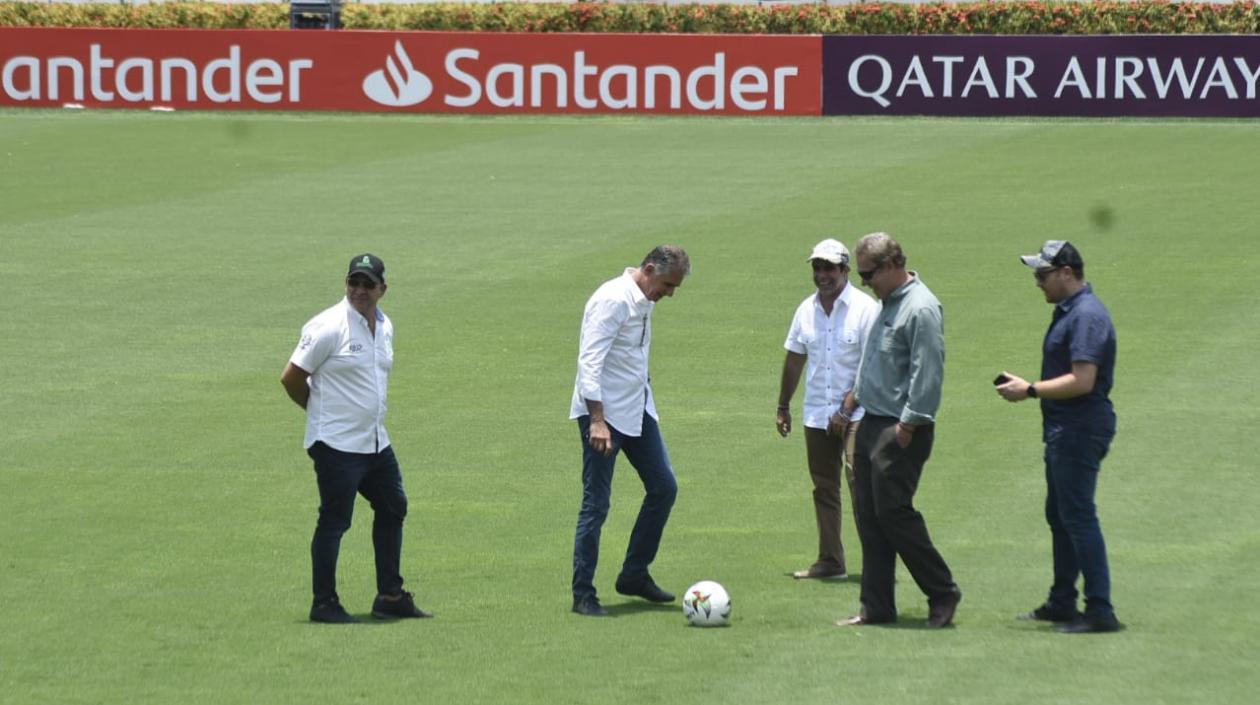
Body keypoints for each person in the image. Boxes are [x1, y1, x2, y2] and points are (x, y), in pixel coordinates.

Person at [281, 254, 431, 624]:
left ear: (383, 289)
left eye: (367, 284)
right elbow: (291, 377)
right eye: (353, 283)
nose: (359, 291)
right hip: (336, 444)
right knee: (335, 520)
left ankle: (390, 596)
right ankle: (324, 603)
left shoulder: (384, 325)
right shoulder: (328, 326)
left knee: (393, 506)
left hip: (375, 442)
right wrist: (320, 415)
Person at [996, 240, 1122, 634]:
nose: (1038, 283)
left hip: (1079, 429)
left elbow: (1082, 381)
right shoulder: (1071, 311)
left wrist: (1030, 389)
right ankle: (1063, 601)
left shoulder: (1086, 316)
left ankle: (1100, 609)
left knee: (1078, 516)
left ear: (1067, 273)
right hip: (1065, 429)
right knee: (1061, 515)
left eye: (1042, 274)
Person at [837, 232, 962, 629]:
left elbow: (928, 373)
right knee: (869, 517)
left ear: (892, 265)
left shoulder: (921, 309)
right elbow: (875, 355)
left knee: (894, 514)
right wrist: (855, 395)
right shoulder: (888, 302)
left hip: (901, 426)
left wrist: (908, 424)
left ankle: (942, 591)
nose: (864, 282)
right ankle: (876, 607)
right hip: (872, 419)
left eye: (868, 274)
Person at [569, 245, 690, 617]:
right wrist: (598, 422)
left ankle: (634, 574)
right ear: (650, 269)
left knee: (664, 487)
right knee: (597, 504)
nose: (669, 294)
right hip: (604, 416)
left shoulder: (644, 298)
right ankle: (583, 594)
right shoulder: (612, 301)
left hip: (637, 410)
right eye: (667, 285)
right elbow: (590, 362)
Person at [776, 238, 879, 581]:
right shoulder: (806, 309)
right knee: (823, 487)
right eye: (817, 268)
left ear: (845, 271)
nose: (823, 274)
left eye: (829, 268)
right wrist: (782, 405)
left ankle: (877, 564)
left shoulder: (866, 308)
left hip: (859, 414)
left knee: (858, 483)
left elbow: (871, 366)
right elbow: (794, 358)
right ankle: (831, 561)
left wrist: (846, 408)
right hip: (817, 412)